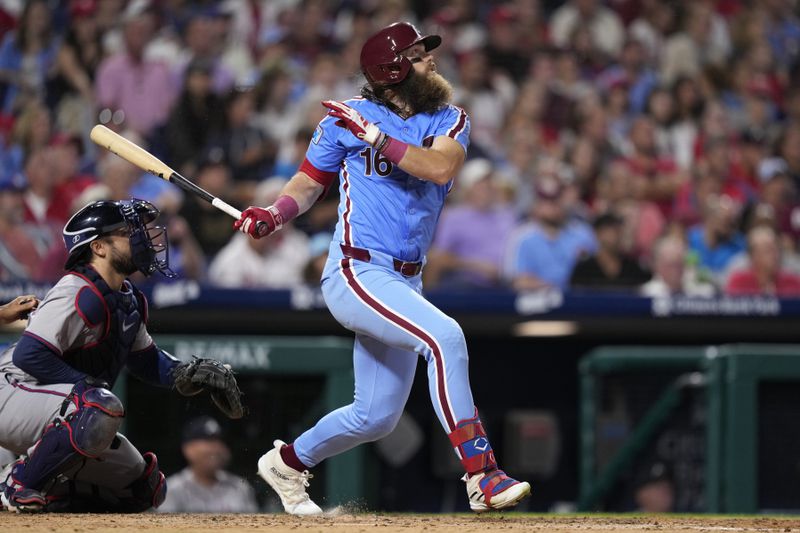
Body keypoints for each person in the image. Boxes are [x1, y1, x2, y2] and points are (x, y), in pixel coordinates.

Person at [234, 22, 530, 515]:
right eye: (417, 55)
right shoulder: (344, 119)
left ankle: (287, 461)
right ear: (392, 70)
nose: (430, 61)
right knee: (445, 338)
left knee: (375, 417)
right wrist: (273, 213)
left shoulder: (448, 118)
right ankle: (482, 475)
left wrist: (375, 137)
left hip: (406, 277)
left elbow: (439, 168)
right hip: (356, 270)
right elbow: (308, 185)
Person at [0, 199, 241, 513]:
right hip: (12, 390)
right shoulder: (77, 289)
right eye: (129, 232)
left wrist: (186, 373)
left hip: (59, 411)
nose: (143, 238)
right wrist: (85, 389)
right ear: (98, 247)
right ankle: (17, 483)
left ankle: (52, 494)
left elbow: (145, 360)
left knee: (145, 488)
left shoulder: (128, 299)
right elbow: (30, 355)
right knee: (99, 405)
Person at [158, 416, 257, 513]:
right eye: (208, 441)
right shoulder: (172, 489)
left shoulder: (240, 487)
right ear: (188, 448)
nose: (215, 447)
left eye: (218, 440)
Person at [570, 212, 650, 291]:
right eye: (612, 230)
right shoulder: (584, 270)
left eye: (619, 230)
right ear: (598, 233)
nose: (617, 235)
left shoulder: (632, 268)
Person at [725, 225, 800, 297]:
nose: (775, 255)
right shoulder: (738, 283)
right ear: (753, 255)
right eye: (769, 250)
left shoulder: (792, 282)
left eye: (776, 248)